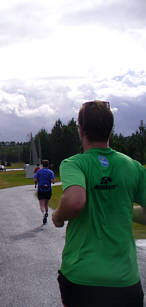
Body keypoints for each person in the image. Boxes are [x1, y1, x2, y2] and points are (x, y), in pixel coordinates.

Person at [52, 100, 146, 306]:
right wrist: (123, 209)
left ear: (81, 129)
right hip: (125, 280)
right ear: (110, 129)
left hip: (81, 278)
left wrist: (57, 216)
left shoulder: (74, 164)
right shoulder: (133, 166)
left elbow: (76, 201)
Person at [33, 159, 55, 225]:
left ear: (42, 165)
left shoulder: (39, 172)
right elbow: (53, 181)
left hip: (41, 190)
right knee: (46, 204)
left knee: (41, 204)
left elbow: (35, 180)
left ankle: (44, 213)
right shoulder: (51, 172)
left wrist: (36, 183)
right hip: (48, 190)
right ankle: (46, 213)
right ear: (48, 165)